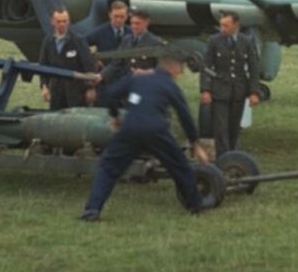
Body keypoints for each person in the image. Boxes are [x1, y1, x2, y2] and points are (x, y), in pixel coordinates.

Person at [79, 49, 212, 222]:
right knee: (180, 167)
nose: (181, 72)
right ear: (173, 67)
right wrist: (195, 143)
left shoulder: (138, 78)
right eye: (180, 68)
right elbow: (184, 115)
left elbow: (110, 94)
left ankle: (92, 210)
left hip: (131, 128)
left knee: (108, 166)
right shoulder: (170, 86)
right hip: (156, 130)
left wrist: (115, 117)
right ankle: (195, 204)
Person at [199, 11, 260, 154]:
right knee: (220, 129)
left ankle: (231, 157)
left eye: (226, 26)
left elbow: (253, 67)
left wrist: (254, 92)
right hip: (219, 90)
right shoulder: (214, 41)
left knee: (233, 129)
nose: (223, 29)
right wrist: (205, 89)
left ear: (236, 25)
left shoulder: (246, 41)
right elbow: (207, 67)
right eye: (221, 25)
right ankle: (223, 159)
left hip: (238, 91)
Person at [37, 7, 97, 110]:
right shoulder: (48, 41)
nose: (62, 24)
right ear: (52, 22)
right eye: (58, 21)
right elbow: (43, 65)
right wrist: (44, 86)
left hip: (76, 91)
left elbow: (89, 65)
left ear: (68, 22)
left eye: (64, 21)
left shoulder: (78, 40)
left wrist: (90, 88)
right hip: (56, 90)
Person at [101, 8, 163, 83]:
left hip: (146, 83)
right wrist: (101, 75)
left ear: (146, 23)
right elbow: (116, 63)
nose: (134, 26)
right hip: (127, 82)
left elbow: (163, 68)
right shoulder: (127, 40)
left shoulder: (155, 42)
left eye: (137, 23)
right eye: (132, 23)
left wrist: (146, 72)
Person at [86, 0, 130, 69]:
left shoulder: (132, 32)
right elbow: (81, 44)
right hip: (105, 73)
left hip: (127, 73)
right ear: (110, 15)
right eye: (116, 16)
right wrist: (93, 59)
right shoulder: (100, 32)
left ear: (127, 16)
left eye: (122, 17)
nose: (118, 20)